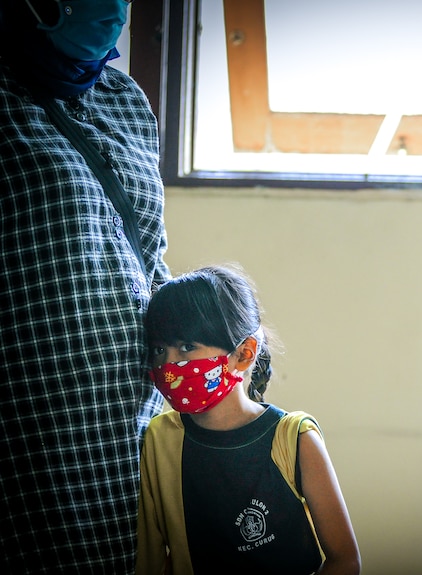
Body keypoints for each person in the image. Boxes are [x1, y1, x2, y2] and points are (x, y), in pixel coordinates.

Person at [0, 1, 169, 572]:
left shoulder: (124, 101)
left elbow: (152, 256)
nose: (111, 11)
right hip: (28, 430)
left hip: (128, 426)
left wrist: (216, 334)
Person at [137, 265, 361, 575]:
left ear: (244, 354)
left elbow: (345, 561)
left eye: (188, 347)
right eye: (159, 349)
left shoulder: (295, 438)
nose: (168, 364)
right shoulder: (159, 439)